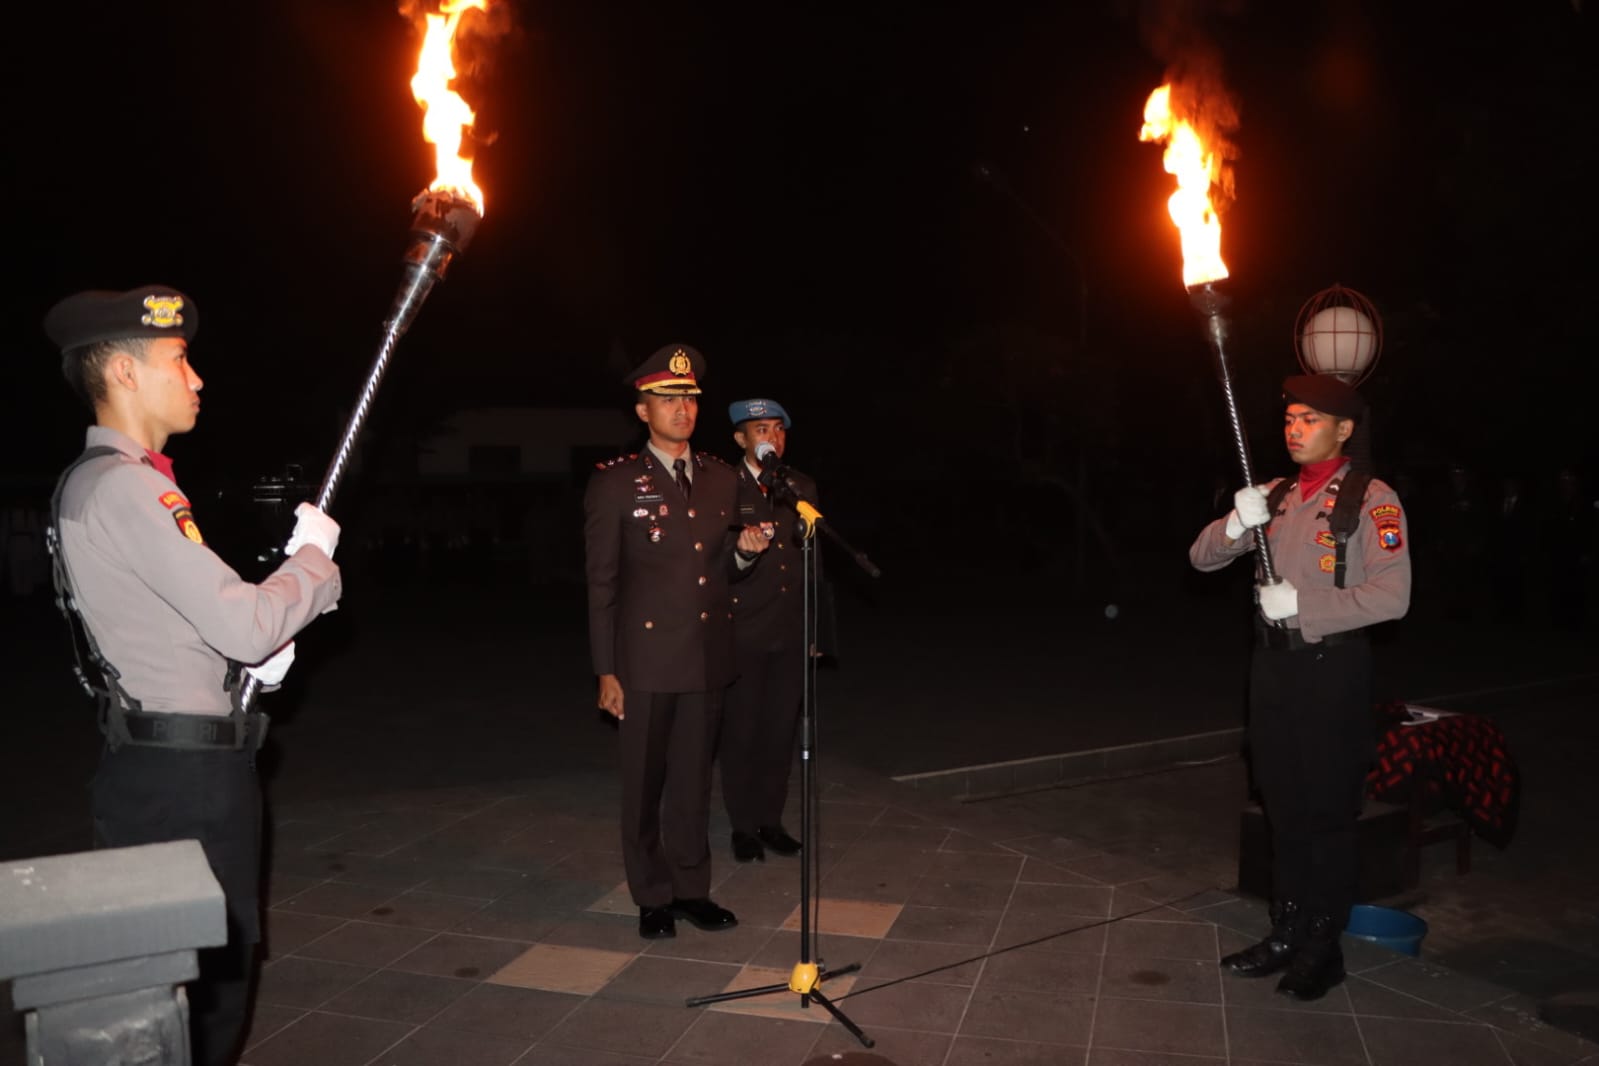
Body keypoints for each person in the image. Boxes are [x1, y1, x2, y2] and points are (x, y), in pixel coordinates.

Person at [43, 285, 344, 1065]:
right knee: (202, 996)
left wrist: (241, 661)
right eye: (179, 359)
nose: (198, 377)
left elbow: (188, 627)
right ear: (123, 371)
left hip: (167, 762)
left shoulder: (112, 481)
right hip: (183, 780)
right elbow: (244, 619)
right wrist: (314, 562)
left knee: (191, 985)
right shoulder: (125, 486)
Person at [1189, 373, 1411, 1001]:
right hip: (1272, 671)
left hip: (1330, 669)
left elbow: (1394, 596)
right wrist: (1236, 522)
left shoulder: (1373, 500)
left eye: (1310, 418)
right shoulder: (1275, 494)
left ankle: (1322, 943)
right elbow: (1201, 557)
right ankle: (1285, 930)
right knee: (1282, 806)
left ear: (1344, 429)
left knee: (1326, 813)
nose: (1294, 428)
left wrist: (1304, 603)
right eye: (1289, 418)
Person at [583, 343, 771, 940]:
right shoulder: (615, 484)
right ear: (643, 411)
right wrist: (605, 670)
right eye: (667, 400)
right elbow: (601, 584)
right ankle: (652, 895)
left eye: (688, 398)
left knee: (693, 782)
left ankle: (692, 889)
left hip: (706, 656)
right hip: (642, 661)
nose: (681, 409)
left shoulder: (720, 477)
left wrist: (744, 553)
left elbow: (725, 568)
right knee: (643, 784)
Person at [716, 398, 816, 863]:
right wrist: (742, 552)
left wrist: (817, 633)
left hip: (790, 631)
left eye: (778, 429)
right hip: (741, 633)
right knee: (742, 732)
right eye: (760, 430)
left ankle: (771, 821)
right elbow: (712, 567)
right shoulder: (720, 488)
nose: (771, 438)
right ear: (740, 438)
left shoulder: (800, 486)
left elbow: (813, 568)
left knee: (779, 733)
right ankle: (742, 827)